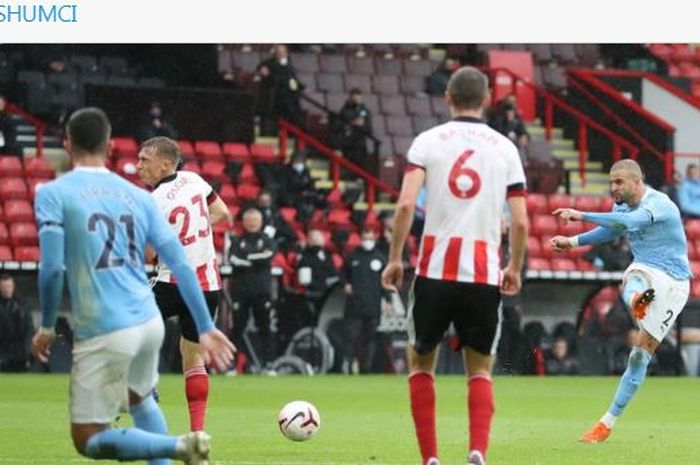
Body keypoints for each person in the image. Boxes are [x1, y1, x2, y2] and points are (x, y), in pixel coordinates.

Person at [31, 107, 235, 465]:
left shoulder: (56, 192)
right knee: (150, 392)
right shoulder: (145, 195)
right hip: (176, 303)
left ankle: (174, 446)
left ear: (66, 144)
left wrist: (47, 325)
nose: (139, 165)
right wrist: (206, 326)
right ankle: (189, 436)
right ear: (109, 145)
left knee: (88, 439)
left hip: (111, 317)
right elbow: (199, 246)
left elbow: (51, 270)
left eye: (145, 160)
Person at [381, 67, 528, 465]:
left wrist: (395, 258)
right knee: (480, 368)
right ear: (486, 99)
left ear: (447, 96)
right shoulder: (506, 148)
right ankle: (477, 450)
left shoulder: (428, 142)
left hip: (434, 271)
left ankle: (430, 457)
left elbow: (407, 204)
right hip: (482, 274)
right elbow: (520, 221)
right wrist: (513, 266)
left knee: (420, 361)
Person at [550, 158, 692, 443]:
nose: (613, 187)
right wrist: (573, 242)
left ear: (636, 182)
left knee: (642, 353)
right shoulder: (621, 206)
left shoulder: (659, 204)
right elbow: (612, 230)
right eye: (611, 182)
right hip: (648, 270)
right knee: (632, 278)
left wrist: (581, 214)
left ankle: (640, 301)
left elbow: (627, 222)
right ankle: (605, 424)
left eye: (619, 182)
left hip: (675, 282)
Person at [136, 136, 230, 433]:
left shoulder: (152, 201)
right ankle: (198, 432)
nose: (138, 166)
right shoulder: (194, 179)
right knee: (193, 358)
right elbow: (222, 213)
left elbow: (149, 253)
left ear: (165, 164)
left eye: (144, 161)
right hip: (208, 286)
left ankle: (145, 386)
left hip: (171, 282)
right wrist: (192, 238)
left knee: (126, 329)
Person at [228, 206, 277, 368]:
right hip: (241, 291)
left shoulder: (268, 240)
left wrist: (248, 258)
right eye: (249, 220)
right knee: (237, 328)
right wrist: (256, 258)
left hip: (262, 291)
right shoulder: (237, 241)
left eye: (255, 220)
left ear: (261, 222)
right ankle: (232, 365)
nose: (252, 223)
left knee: (264, 327)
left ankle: (268, 364)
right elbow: (234, 259)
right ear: (243, 222)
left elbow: (268, 256)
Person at [343, 228, 389, 374]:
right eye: (365, 238)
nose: (367, 242)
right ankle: (349, 367)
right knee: (352, 339)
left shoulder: (381, 258)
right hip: (354, 306)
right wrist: (345, 284)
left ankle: (366, 369)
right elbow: (342, 274)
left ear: (374, 240)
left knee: (370, 340)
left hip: (373, 306)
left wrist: (387, 300)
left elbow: (385, 282)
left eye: (370, 239)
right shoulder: (352, 257)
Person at [255, 44, 303, 135]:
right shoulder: (270, 63)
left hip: (289, 97)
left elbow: (292, 80)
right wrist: (263, 71)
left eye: (283, 52)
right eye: (279, 52)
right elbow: (263, 69)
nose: (281, 54)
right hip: (275, 97)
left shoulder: (289, 66)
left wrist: (297, 87)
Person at [0, 273, 33, 372]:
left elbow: (29, 329)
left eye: (9, 286)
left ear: (13, 286)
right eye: (3, 287)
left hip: (20, 354)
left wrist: (27, 352)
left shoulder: (22, 304)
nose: (6, 289)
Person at [337, 88, 373, 173]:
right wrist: (353, 122)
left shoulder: (365, 111)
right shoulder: (344, 110)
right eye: (354, 97)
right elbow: (340, 124)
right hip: (347, 142)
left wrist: (363, 125)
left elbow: (369, 129)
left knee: (360, 166)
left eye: (358, 98)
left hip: (360, 144)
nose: (357, 100)